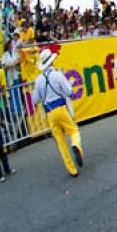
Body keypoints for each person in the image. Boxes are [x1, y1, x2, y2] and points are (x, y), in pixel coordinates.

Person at [32, 49, 85, 177]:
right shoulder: (57, 74)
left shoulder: (38, 80)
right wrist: (71, 91)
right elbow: (67, 90)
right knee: (73, 130)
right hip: (61, 108)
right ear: (52, 61)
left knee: (61, 142)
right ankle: (76, 145)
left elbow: (35, 99)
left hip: (50, 113)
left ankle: (72, 169)